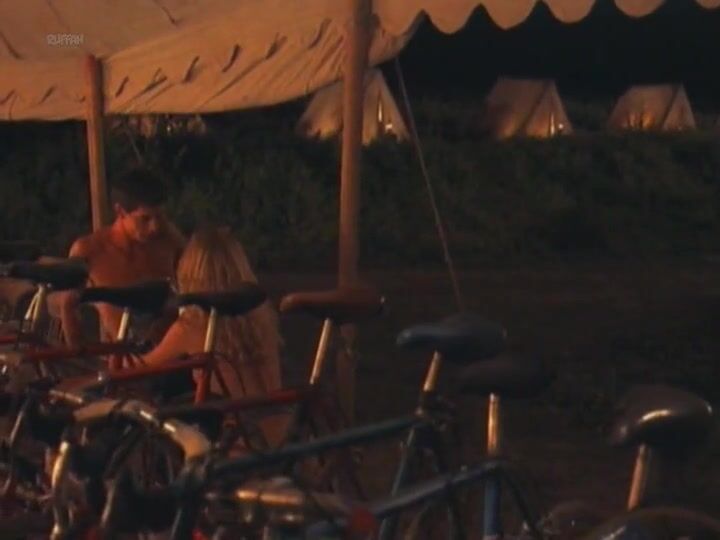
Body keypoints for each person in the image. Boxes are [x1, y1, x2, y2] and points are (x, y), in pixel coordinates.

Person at [140, 227, 286, 446]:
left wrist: (111, 357)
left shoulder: (193, 325)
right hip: (280, 428)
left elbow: (140, 368)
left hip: (239, 438)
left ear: (190, 272)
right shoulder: (261, 316)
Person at [59, 167, 185, 346]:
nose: (154, 227)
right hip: (120, 353)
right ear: (120, 211)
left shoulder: (170, 241)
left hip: (170, 349)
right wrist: (79, 352)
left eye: (160, 217)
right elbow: (68, 306)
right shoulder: (91, 249)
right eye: (145, 219)